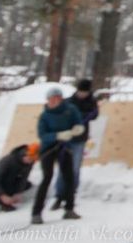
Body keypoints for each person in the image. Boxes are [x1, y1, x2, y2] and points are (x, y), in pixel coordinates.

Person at [31, 86, 84, 224]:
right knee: (47, 177)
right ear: (48, 100)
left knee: (69, 177)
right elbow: (42, 135)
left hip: (65, 148)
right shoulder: (45, 115)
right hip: (49, 149)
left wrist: (78, 128)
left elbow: (78, 121)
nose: (55, 101)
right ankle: (36, 213)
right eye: (52, 99)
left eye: (57, 98)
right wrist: (57, 135)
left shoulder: (70, 110)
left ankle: (69, 209)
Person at [52, 78, 99, 210]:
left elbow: (94, 115)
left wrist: (81, 118)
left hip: (80, 139)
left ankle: (70, 194)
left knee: (75, 168)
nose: (82, 94)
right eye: (80, 92)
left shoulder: (92, 102)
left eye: (84, 92)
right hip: (67, 138)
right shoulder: (69, 101)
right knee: (63, 168)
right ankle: (59, 195)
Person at [0, 142, 38, 211]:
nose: (30, 162)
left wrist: (18, 192)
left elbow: (24, 178)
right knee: (7, 188)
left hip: (12, 177)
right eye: (30, 159)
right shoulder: (9, 161)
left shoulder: (29, 162)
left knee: (27, 185)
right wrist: (2, 196)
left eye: (33, 160)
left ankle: (4, 194)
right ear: (24, 155)